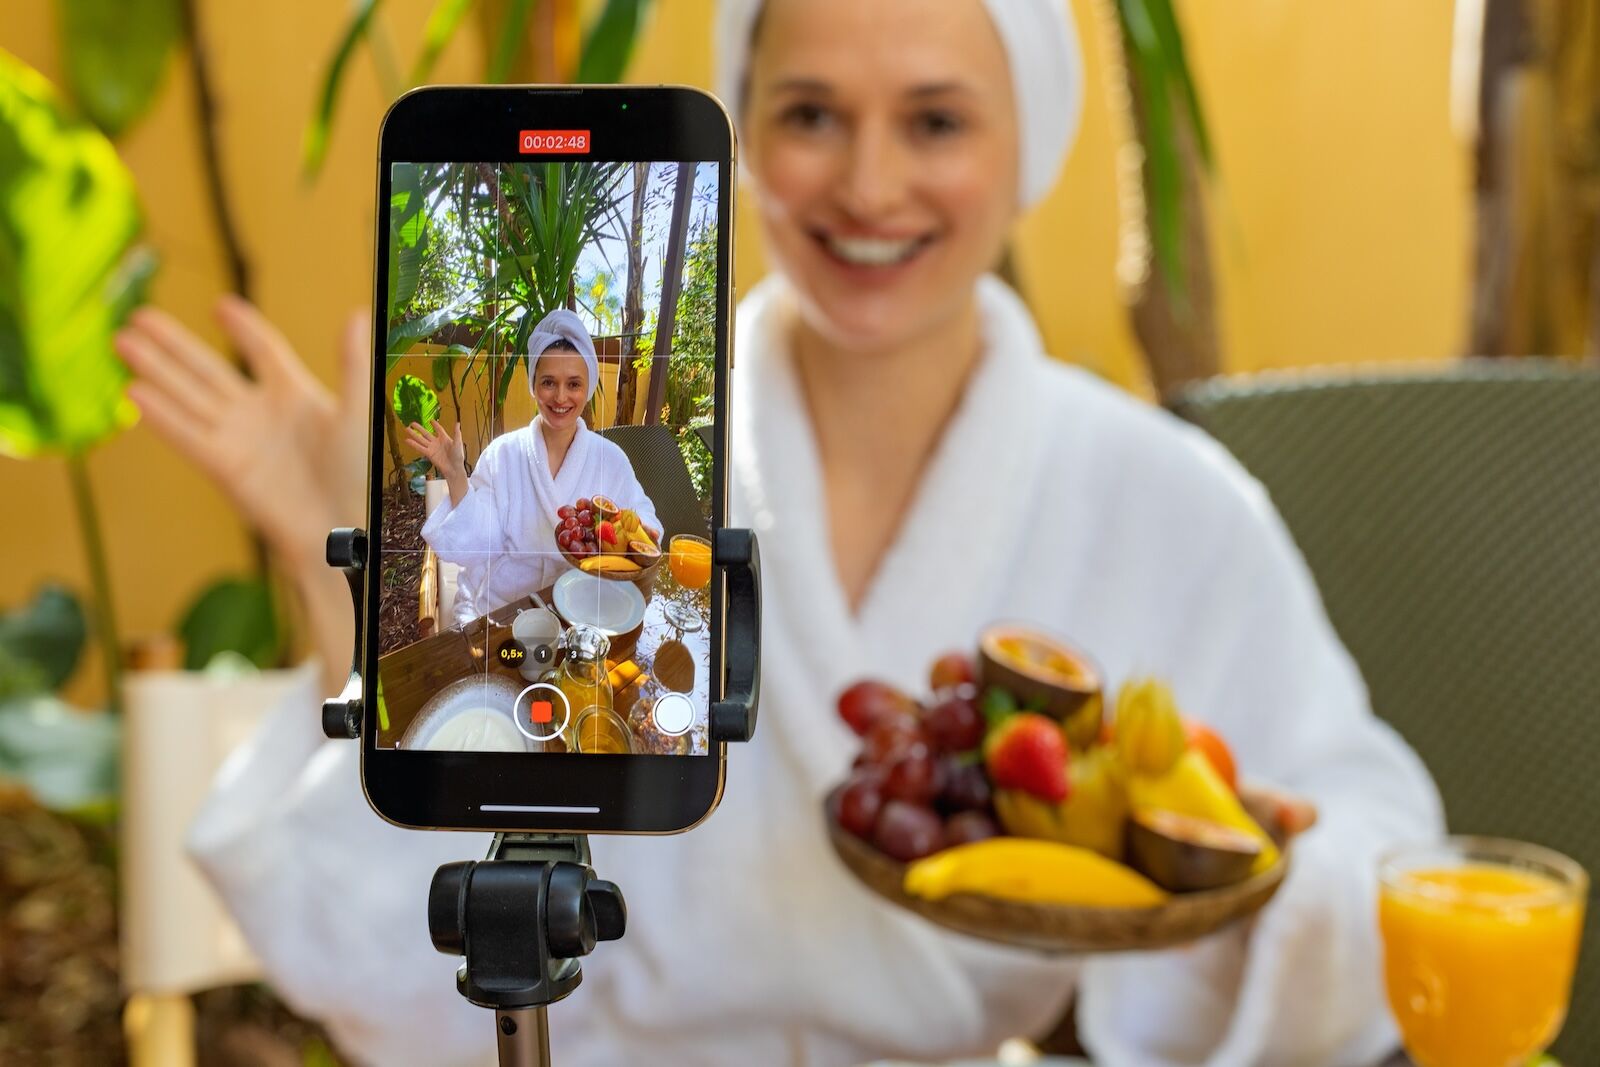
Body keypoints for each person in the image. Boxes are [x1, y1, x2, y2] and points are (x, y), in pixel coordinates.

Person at [116, 1, 1443, 1063]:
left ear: (1027, 142)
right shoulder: (636, 482)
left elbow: (1371, 839)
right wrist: (328, 558)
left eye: (935, 120)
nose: (870, 185)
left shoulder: (1160, 493)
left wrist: (1214, 877)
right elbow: (409, 965)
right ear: (745, 129)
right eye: (811, 114)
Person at [406, 308, 661, 627]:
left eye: (574, 384)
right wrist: (456, 474)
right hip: (503, 607)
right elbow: (482, 544)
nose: (561, 397)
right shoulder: (503, 454)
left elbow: (640, 516)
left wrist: (646, 533)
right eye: (549, 382)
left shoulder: (610, 459)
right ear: (533, 385)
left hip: (582, 610)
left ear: (589, 387)